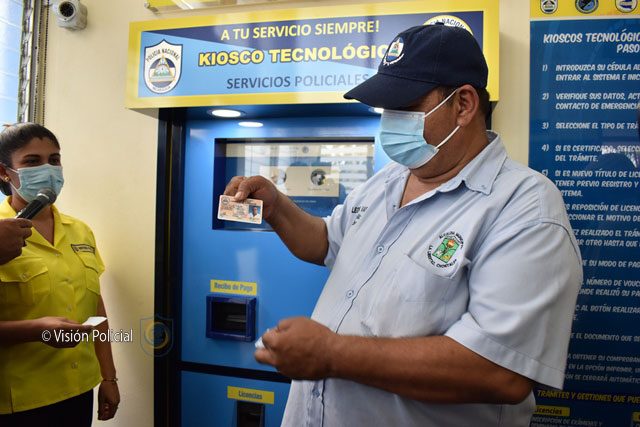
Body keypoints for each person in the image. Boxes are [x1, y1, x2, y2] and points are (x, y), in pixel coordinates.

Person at [224, 24, 582, 426]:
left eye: (404, 106)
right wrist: (277, 208)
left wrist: (332, 354)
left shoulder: (524, 208)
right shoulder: (391, 179)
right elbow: (327, 242)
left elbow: (500, 372)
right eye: (386, 109)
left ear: (463, 105)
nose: (389, 122)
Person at [0, 123, 120, 425]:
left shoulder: (79, 230)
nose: (48, 169)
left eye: (54, 160)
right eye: (32, 161)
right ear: (4, 172)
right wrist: (34, 330)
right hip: (19, 401)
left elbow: (95, 307)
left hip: (78, 390)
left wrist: (109, 376)